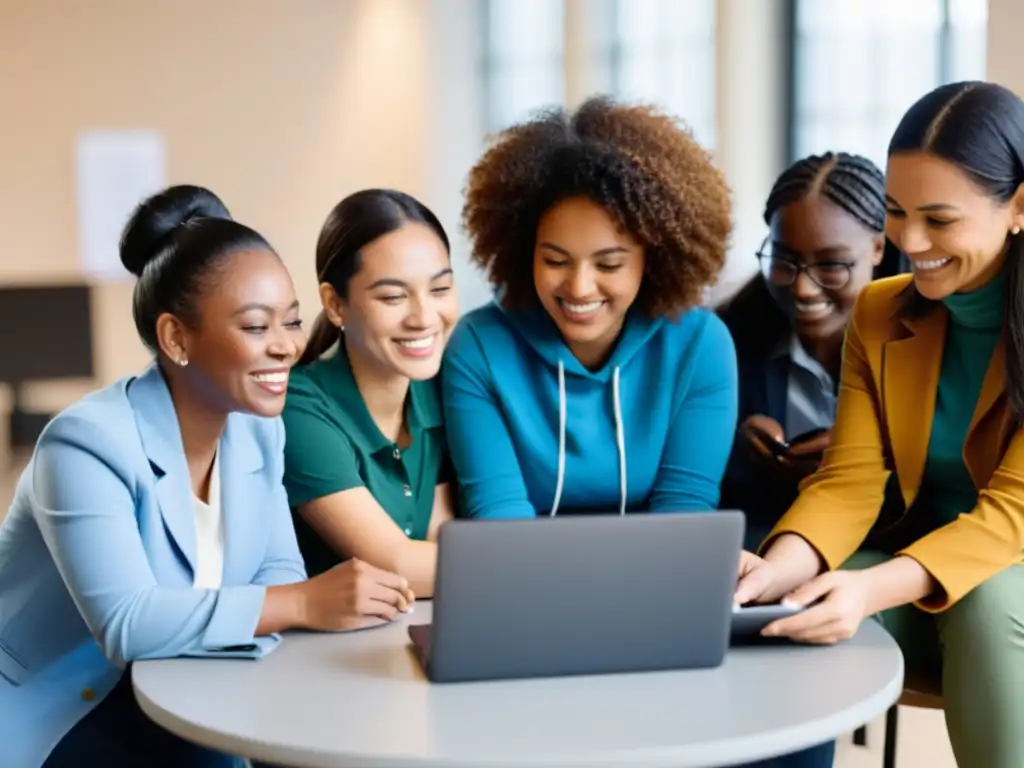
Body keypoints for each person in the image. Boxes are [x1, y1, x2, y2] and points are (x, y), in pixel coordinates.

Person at [444, 96, 831, 768]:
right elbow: (503, 536)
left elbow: (684, 515)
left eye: (609, 262)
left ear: (654, 253)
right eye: (554, 258)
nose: (578, 286)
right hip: (528, 625)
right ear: (519, 248)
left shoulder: (700, 345)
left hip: (658, 616)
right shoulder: (478, 349)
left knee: (798, 723)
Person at [0, 185, 414, 768]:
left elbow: (277, 569)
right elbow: (127, 623)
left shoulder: (257, 429)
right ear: (176, 338)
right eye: (255, 327)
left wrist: (294, 599)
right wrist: (303, 603)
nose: (287, 347)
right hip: (57, 708)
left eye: (292, 322)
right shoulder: (84, 443)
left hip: (187, 682)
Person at [735, 81, 1024, 768]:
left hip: (1002, 579)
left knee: (983, 606)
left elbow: (1014, 513)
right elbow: (851, 482)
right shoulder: (880, 311)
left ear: (1018, 206)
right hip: (915, 576)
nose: (911, 241)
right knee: (788, 615)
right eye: (896, 212)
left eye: (940, 218)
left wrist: (869, 587)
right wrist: (777, 572)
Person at [718, 151, 906, 549]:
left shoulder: (921, 342)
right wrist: (735, 446)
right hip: (767, 552)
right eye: (784, 260)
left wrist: (863, 462)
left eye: (832, 265)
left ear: (877, 249)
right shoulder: (734, 341)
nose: (803, 288)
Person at [281, 189, 458, 596]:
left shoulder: (437, 390)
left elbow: (439, 535)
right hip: (310, 655)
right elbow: (395, 562)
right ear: (335, 304)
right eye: (393, 296)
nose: (424, 317)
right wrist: (538, 566)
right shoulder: (298, 410)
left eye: (440, 289)